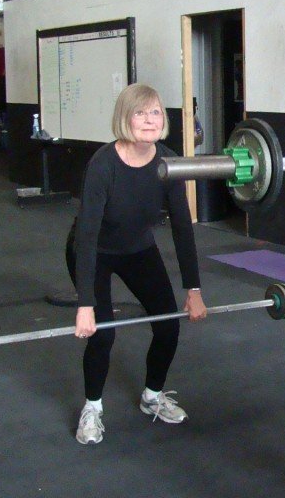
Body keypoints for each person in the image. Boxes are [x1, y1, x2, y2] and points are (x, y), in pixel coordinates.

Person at [72, 82, 207, 445]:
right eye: (140, 112)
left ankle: (152, 396)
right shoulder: (103, 165)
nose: (149, 120)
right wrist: (86, 303)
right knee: (103, 333)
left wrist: (193, 290)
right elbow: (85, 236)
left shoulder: (168, 163)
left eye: (156, 112)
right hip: (95, 250)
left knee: (167, 325)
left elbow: (182, 226)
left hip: (137, 249)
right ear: (124, 118)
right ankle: (93, 408)